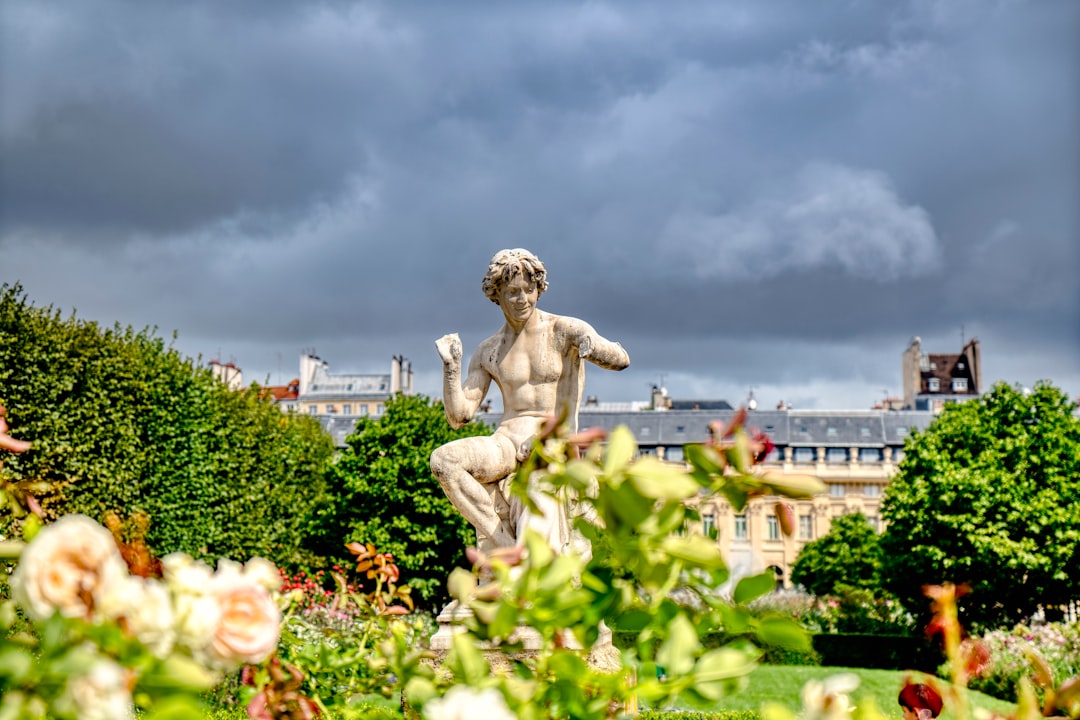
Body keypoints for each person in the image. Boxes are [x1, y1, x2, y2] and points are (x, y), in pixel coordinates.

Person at [430, 248, 630, 553]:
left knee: (537, 487)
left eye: (529, 289)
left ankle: (527, 561)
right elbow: (459, 416)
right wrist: (451, 367)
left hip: (552, 439)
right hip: (507, 441)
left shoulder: (564, 330)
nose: (522, 299)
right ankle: (506, 545)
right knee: (444, 461)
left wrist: (592, 347)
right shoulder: (489, 350)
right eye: (512, 292)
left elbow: (621, 359)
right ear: (496, 294)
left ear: (539, 289)